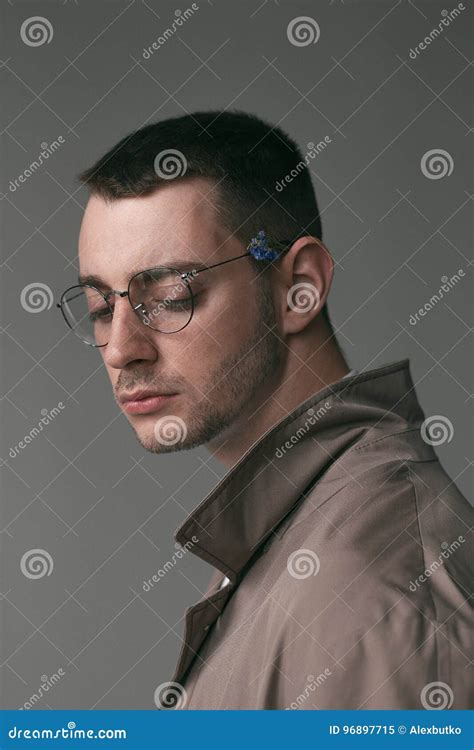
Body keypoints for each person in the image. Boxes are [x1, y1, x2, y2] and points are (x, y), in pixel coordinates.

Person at [57, 110, 473, 709]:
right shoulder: (295, 530)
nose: (121, 348)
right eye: (101, 307)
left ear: (299, 286)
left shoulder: (367, 591)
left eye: (171, 296)